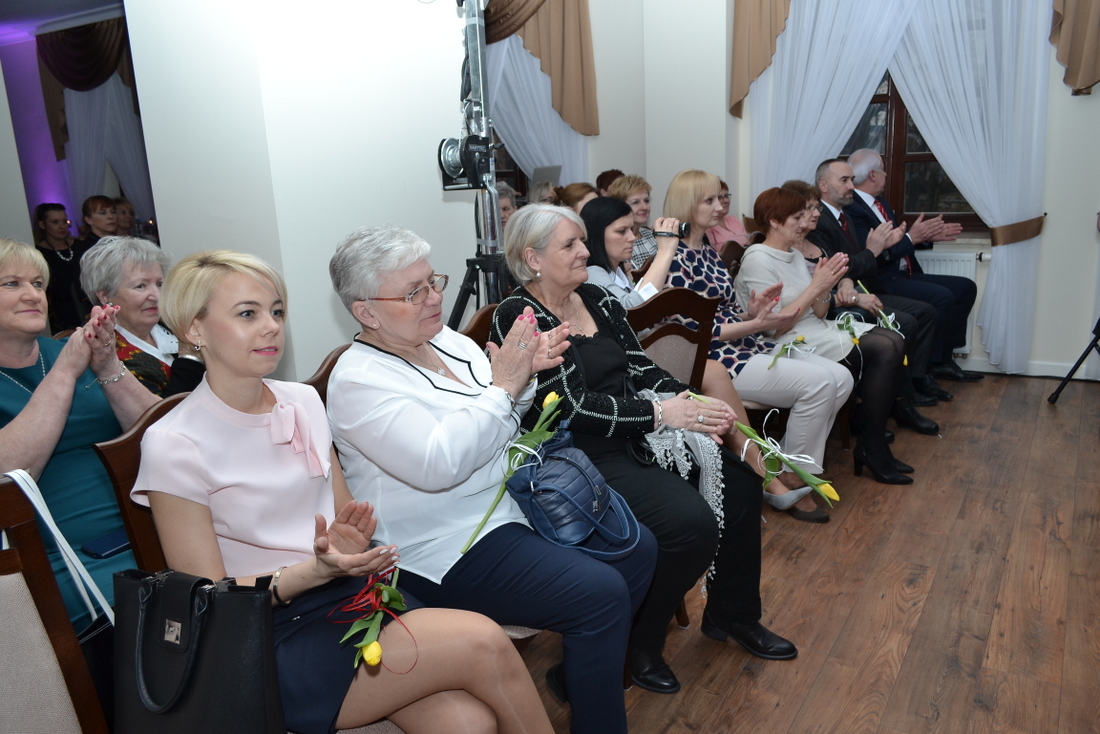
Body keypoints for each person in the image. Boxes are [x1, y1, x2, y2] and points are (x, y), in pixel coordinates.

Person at [134, 249, 555, 734]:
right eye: (248, 314)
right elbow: (207, 599)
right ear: (195, 328)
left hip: (349, 598)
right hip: (265, 634)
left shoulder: (302, 400)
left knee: (467, 723)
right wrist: (311, 572)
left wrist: (352, 544)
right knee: (483, 639)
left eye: (276, 311)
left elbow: (345, 517)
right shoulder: (174, 442)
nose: (271, 327)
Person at [326, 227, 657, 734]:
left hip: (509, 502)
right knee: (600, 594)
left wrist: (522, 377)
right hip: (442, 543)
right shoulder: (359, 381)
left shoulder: (447, 340)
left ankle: (586, 668)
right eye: (413, 292)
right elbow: (439, 464)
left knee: (638, 550)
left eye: (433, 282)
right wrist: (506, 384)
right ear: (366, 312)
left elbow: (501, 416)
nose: (434, 298)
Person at [492, 204, 801, 698]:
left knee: (743, 481)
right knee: (690, 526)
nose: (585, 251)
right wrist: (662, 414)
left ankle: (732, 614)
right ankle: (640, 640)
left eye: (582, 241)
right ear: (532, 258)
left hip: (637, 434)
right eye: (570, 244)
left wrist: (689, 399)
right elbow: (570, 407)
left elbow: (639, 366)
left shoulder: (596, 297)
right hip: (578, 457)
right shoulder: (519, 316)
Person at [580, 196, 826, 510]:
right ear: (596, 234)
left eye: (632, 230)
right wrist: (666, 251)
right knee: (714, 372)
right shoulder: (594, 274)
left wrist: (748, 316)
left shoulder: (617, 271)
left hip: (649, 357)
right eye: (621, 231)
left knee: (715, 373)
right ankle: (763, 473)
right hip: (628, 371)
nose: (632, 237)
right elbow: (632, 314)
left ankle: (763, 473)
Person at [663, 170, 855, 516]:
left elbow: (722, 313)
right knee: (820, 383)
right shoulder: (674, 257)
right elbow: (692, 331)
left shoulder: (705, 250)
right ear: (687, 204)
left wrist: (751, 313)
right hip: (715, 358)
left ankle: (789, 463)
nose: (720, 206)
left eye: (720, 198)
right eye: (710, 200)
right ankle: (795, 473)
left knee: (842, 378)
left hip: (742, 345)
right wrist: (754, 323)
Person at [0, 237, 159, 631]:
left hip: (148, 522)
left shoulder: (76, 350)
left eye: (38, 284)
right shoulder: (69, 359)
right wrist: (66, 372)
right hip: (58, 555)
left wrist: (108, 366)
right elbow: (9, 478)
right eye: (12, 284)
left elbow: (163, 433)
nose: (31, 294)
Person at [736, 188, 916, 484]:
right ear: (774, 221)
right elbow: (771, 328)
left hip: (814, 329)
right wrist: (815, 286)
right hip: (783, 341)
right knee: (886, 347)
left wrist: (823, 287)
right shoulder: (758, 258)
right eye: (797, 217)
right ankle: (871, 446)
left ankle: (871, 443)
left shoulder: (793, 254)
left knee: (893, 340)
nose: (804, 223)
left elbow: (818, 312)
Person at [807, 159, 941, 434]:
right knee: (904, 324)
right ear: (823, 186)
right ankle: (895, 403)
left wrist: (881, 248)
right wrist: (873, 251)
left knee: (920, 314)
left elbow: (849, 265)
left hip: (859, 288)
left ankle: (901, 396)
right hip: (843, 298)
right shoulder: (820, 221)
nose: (852, 186)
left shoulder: (842, 215)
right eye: (844, 180)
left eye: (851, 179)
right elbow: (842, 267)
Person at [846, 148, 981, 383]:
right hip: (882, 280)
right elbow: (875, 254)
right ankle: (929, 366)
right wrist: (912, 238)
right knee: (942, 297)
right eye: (883, 170)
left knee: (965, 288)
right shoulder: (853, 209)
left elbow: (897, 238)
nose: (887, 174)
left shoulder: (879, 202)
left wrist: (925, 237)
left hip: (903, 273)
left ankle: (943, 358)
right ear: (873, 175)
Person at [79, 236, 204, 396]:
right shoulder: (103, 352)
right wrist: (190, 359)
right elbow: (162, 409)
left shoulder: (173, 325)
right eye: (140, 286)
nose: (157, 296)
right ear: (105, 296)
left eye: (159, 284)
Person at [33, 203, 93, 332]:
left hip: (88, 308)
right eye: (55, 222)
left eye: (64, 221)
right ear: (42, 225)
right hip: (60, 316)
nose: (62, 226)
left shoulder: (79, 246)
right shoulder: (39, 253)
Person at [608, 174, 659, 268]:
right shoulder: (616, 244)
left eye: (646, 201)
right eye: (635, 202)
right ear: (620, 206)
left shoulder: (653, 236)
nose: (644, 207)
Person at [705, 180, 749, 256]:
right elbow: (713, 257)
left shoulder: (734, 220)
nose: (726, 200)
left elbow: (747, 244)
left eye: (726, 196)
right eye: (720, 197)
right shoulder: (708, 228)